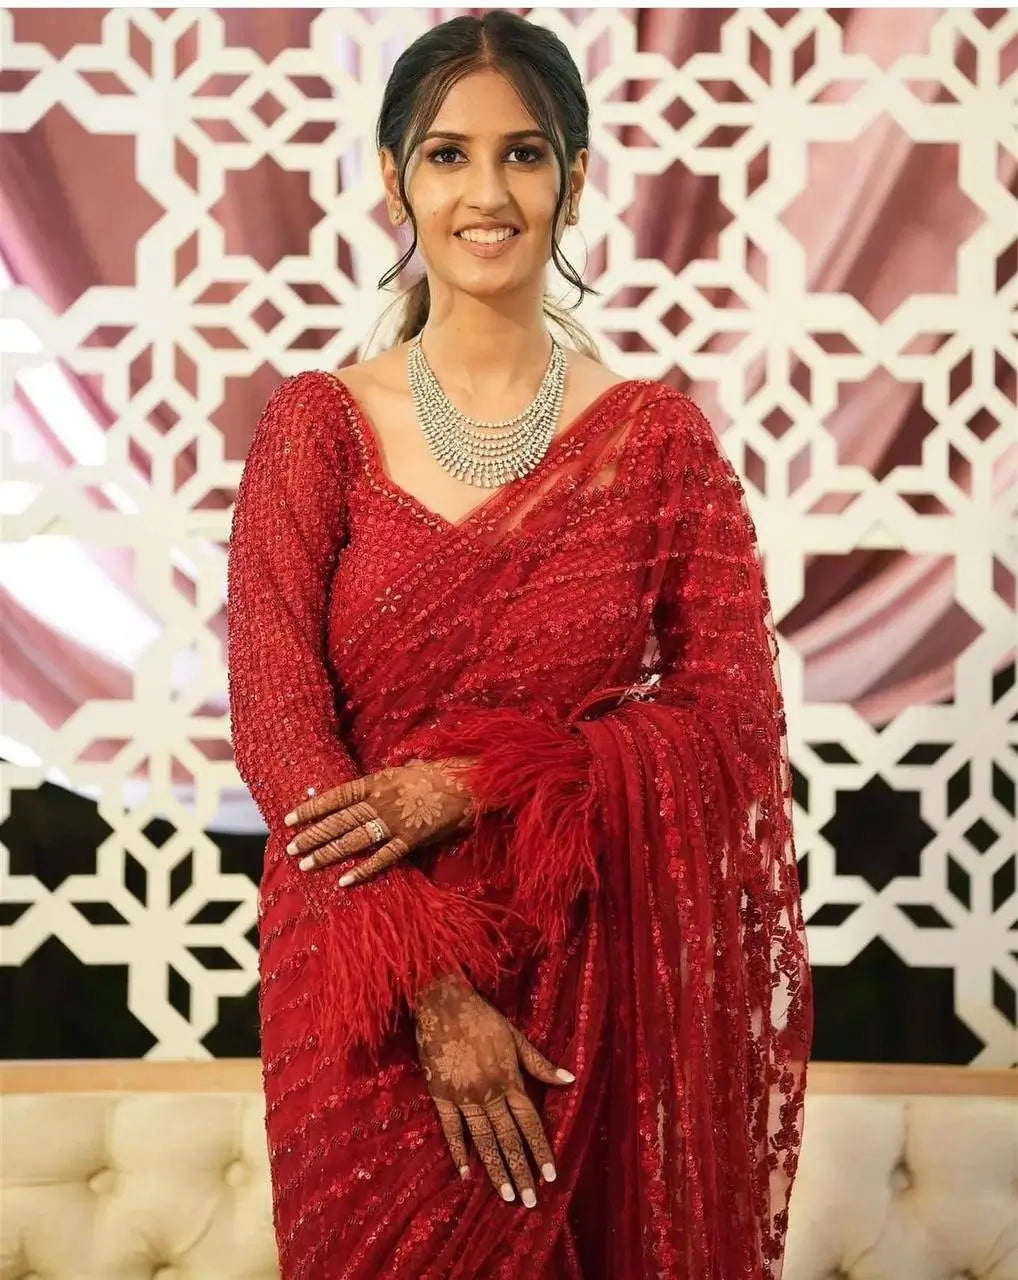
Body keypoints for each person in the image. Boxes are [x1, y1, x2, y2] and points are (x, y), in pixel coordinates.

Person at [226, 11, 812, 1279]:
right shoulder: (316, 431)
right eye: (447, 155)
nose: (486, 193)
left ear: (574, 178)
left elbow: (728, 724)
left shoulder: (654, 446)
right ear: (394, 181)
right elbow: (279, 731)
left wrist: (480, 777)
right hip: (365, 992)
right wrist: (431, 987)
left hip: (584, 981)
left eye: (523, 154)